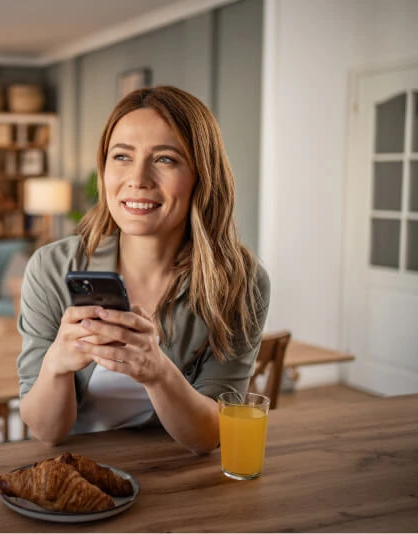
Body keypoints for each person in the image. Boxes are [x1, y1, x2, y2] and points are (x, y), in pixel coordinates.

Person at [16, 85, 270, 454]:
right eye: (121, 156)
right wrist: (57, 364)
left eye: (165, 159)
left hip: (177, 477)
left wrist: (158, 372)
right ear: (103, 169)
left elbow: (210, 436)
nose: (138, 179)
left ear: (202, 174)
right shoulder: (52, 267)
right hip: (77, 471)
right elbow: (46, 432)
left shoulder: (240, 281)